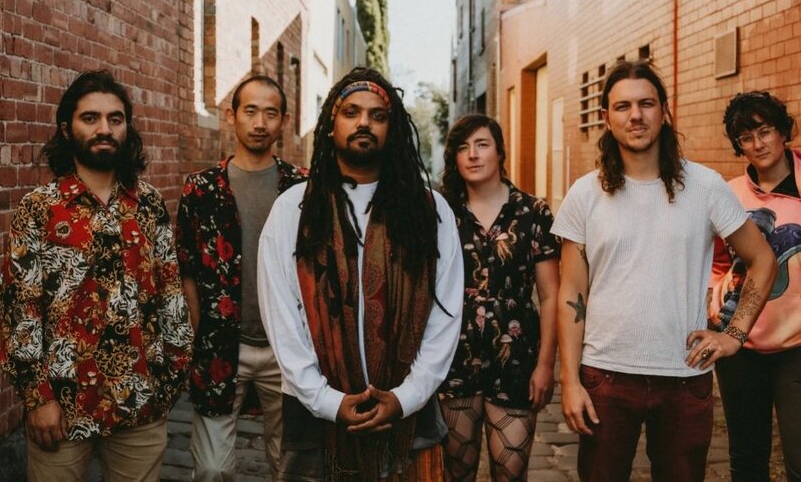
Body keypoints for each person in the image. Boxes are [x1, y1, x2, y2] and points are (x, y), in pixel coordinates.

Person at [551, 60, 777, 482]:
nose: (635, 115)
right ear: (606, 118)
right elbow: (571, 292)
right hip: (605, 377)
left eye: (645, 104)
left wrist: (733, 335)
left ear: (664, 111)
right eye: (622, 107)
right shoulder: (585, 194)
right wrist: (570, 379)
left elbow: (762, 259)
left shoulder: (706, 186)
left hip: (683, 378)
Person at [257, 67, 464, 481]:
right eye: (351, 112)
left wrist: (406, 397)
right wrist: (327, 401)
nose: (364, 122)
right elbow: (281, 315)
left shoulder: (428, 210)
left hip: (410, 416)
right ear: (331, 125)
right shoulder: (294, 208)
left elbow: (445, 313)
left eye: (378, 115)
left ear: (394, 129)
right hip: (313, 418)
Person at [0, 69, 193, 482]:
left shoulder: (150, 204)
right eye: (91, 118)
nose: (104, 129)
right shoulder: (39, 209)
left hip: (141, 403)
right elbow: (21, 310)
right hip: (62, 406)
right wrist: (37, 399)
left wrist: (173, 375)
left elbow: (171, 293)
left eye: (115, 119)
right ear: (67, 128)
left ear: (127, 128)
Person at [176, 75, 306, 481]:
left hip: (288, 348)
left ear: (283, 120)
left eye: (271, 113)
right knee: (212, 469)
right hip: (220, 346)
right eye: (250, 111)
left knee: (289, 464)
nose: (260, 122)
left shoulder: (302, 187)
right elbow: (188, 270)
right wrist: (198, 337)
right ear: (232, 116)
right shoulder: (202, 189)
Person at [438, 114, 560, 482]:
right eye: (463, 147)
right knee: (456, 474)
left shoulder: (533, 213)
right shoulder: (442, 214)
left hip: (517, 358)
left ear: (500, 152)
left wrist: (545, 365)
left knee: (511, 472)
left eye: (482, 144)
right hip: (454, 356)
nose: (472, 155)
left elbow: (551, 296)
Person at [709, 90, 801, 482]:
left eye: (764, 131)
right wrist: (715, 305)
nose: (757, 144)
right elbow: (715, 261)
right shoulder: (728, 194)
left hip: (797, 345)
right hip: (739, 344)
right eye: (746, 137)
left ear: (782, 131)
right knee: (747, 459)